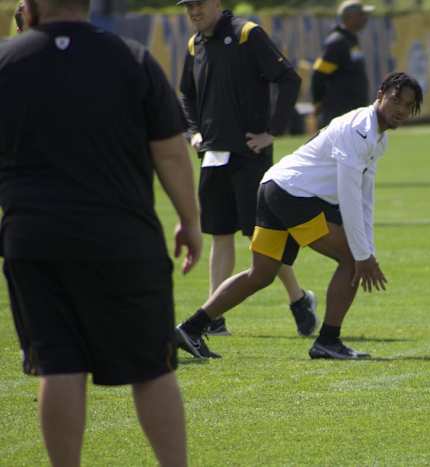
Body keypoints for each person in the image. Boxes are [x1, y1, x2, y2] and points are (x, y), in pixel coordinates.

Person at [0, 0, 202, 465]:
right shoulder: (130, 58)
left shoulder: (8, 63)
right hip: (122, 237)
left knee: (59, 366)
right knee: (152, 369)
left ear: (31, 6)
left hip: (35, 239)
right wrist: (190, 221)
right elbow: (171, 152)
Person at [175, 72, 423, 360]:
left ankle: (191, 328)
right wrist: (362, 254)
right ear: (380, 94)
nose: (401, 110)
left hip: (275, 187)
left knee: (261, 274)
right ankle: (328, 341)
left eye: (408, 106)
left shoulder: (377, 139)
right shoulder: (360, 129)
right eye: (396, 100)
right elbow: (350, 197)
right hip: (292, 194)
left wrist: (368, 248)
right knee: (351, 260)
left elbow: (365, 197)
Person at [178, 0, 318, 338]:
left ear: (216, 3)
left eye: (199, 4)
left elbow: (288, 79)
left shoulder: (246, 34)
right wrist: (194, 131)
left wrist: (272, 131)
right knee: (220, 234)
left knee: (262, 238)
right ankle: (214, 317)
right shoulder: (195, 44)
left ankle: (298, 299)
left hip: (249, 155)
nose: (194, 12)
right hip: (212, 154)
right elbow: (186, 94)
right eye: (188, 7)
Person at [311, 0, 374, 128]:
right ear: (349, 17)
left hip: (353, 110)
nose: (365, 18)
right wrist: (317, 102)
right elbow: (319, 74)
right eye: (361, 14)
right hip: (339, 112)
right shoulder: (337, 42)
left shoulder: (350, 40)